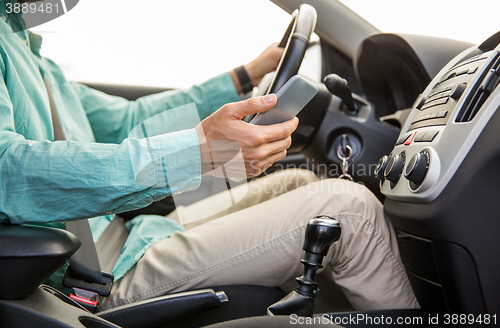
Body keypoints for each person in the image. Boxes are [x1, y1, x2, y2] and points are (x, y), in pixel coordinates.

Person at [0, 1, 419, 312]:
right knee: (352, 211)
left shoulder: (27, 47)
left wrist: (245, 76)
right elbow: (8, 169)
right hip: (91, 273)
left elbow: (125, 119)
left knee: (299, 182)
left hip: (124, 237)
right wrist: (199, 151)